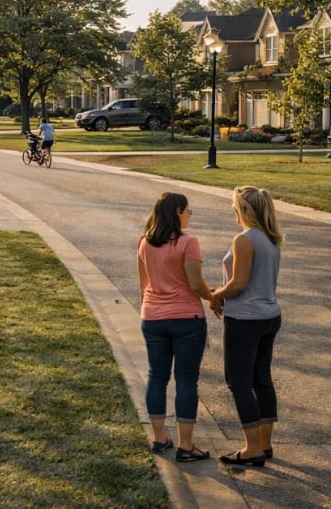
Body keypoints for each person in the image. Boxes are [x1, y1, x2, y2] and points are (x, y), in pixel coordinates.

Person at [210, 186, 284, 467]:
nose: (232, 210)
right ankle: (264, 444)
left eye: (234, 206)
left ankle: (251, 448)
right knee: (261, 377)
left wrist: (216, 295)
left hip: (245, 319)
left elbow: (239, 284)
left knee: (239, 381)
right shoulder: (272, 238)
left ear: (243, 209)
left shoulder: (245, 239)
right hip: (269, 315)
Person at [137, 192, 213, 462]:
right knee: (186, 380)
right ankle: (185, 446)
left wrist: (150, 310)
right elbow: (195, 284)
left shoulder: (144, 242)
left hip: (153, 317)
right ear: (178, 212)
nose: (190, 215)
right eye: (188, 210)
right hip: (186, 320)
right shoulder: (188, 243)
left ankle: (159, 439)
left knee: (157, 376)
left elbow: (144, 283)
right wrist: (213, 297)